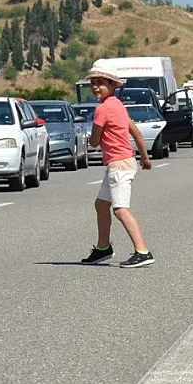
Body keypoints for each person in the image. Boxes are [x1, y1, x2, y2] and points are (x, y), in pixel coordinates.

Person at [80, 60, 155, 268]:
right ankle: (103, 247)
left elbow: (94, 142)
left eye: (101, 82)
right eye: (93, 82)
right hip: (124, 162)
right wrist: (144, 157)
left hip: (119, 165)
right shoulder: (119, 106)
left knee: (120, 209)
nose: (95, 86)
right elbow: (136, 132)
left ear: (113, 85)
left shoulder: (102, 109)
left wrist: (95, 133)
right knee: (101, 204)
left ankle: (143, 251)